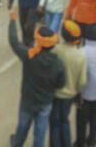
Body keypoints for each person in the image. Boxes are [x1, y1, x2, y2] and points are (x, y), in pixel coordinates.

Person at [8, 9, 66, 147]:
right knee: (40, 133)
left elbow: (14, 42)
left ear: (37, 41)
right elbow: (61, 84)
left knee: (22, 126)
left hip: (28, 100)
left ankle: (17, 143)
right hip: (45, 103)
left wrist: (12, 21)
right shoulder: (58, 63)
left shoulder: (29, 56)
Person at [49, 21, 88, 147]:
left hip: (54, 94)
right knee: (64, 120)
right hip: (69, 96)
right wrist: (77, 92)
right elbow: (82, 81)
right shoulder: (80, 56)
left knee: (54, 121)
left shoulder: (54, 51)